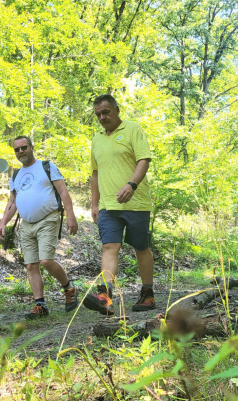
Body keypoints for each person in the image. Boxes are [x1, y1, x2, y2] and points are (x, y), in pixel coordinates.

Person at [84, 94, 155, 316]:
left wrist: (132, 184)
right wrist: (94, 204)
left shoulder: (133, 129)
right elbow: (95, 174)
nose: (102, 117)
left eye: (106, 112)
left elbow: (144, 160)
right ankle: (105, 296)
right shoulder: (96, 139)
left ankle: (147, 293)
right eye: (98, 115)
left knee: (140, 247)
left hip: (136, 202)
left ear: (117, 109)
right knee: (109, 247)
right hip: (108, 205)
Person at [0, 136, 80, 319]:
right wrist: (3, 223)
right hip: (26, 224)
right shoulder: (16, 175)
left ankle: (69, 288)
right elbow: (12, 202)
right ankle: (40, 304)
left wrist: (71, 216)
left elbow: (63, 191)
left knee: (46, 261)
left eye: (23, 147)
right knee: (31, 265)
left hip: (47, 219)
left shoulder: (46, 167)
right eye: (16, 149)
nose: (20, 152)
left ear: (31, 147)